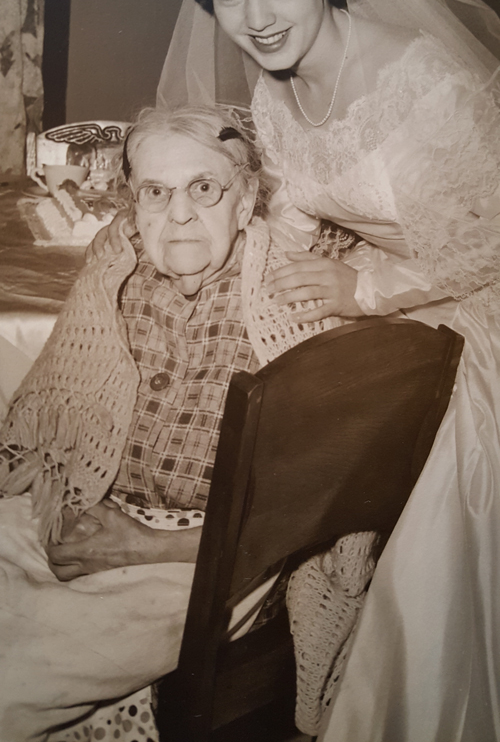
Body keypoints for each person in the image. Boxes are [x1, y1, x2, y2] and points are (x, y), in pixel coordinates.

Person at [152, 0, 500, 741]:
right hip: (387, 300)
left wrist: (364, 290)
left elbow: (487, 239)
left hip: (476, 302)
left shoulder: (419, 77)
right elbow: (297, 209)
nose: (257, 17)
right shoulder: (275, 92)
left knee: (441, 497)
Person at [0, 104, 359, 742]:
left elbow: (316, 511)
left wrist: (143, 544)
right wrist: (76, 507)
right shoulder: (115, 275)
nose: (180, 214)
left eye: (204, 188)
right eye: (156, 193)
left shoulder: (294, 304)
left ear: (246, 198)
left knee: (18, 677)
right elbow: (54, 424)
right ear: (131, 204)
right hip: (96, 507)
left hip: (212, 557)